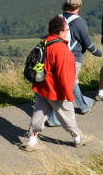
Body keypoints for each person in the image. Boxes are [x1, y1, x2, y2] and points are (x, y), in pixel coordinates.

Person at [23, 15, 94, 152]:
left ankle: (32, 141)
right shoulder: (61, 49)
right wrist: (69, 94)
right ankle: (78, 138)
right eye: (67, 29)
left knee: (39, 113)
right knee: (67, 113)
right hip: (55, 89)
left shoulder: (45, 41)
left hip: (41, 85)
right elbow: (64, 75)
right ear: (61, 31)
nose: (68, 32)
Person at [45, 0, 101, 127]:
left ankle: (84, 105)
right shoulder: (80, 22)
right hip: (73, 58)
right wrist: (99, 53)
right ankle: (55, 119)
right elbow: (88, 44)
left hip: (58, 56)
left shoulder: (59, 18)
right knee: (68, 85)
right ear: (79, 5)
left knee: (70, 83)